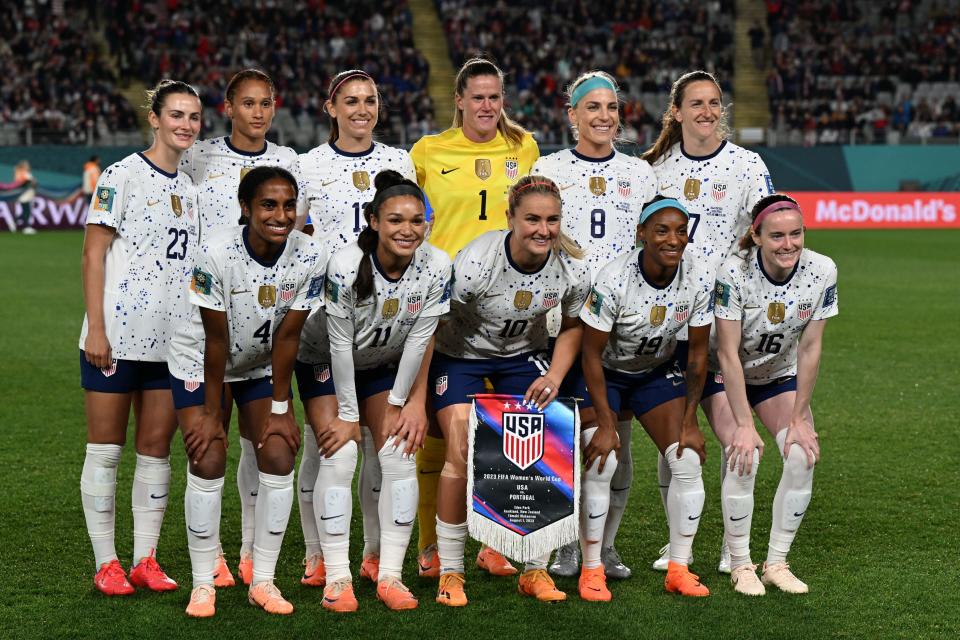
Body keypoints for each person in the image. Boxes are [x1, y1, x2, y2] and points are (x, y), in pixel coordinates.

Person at [167, 167, 326, 617]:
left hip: (258, 362)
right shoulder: (215, 253)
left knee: (277, 452)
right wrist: (209, 414)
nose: (280, 215)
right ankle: (204, 584)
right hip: (200, 360)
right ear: (245, 208)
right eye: (268, 205)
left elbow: (289, 336)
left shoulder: (309, 254)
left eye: (288, 205)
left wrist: (281, 408)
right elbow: (215, 341)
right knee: (209, 453)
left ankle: (264, 581)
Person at [431, 175, 590, 607]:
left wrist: (555, 376)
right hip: (459, 355)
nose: (543, 229)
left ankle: (534, 568)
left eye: (552, 220)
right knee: (462, 449)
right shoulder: (475, 264)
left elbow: (573, 326)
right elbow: (432, 325)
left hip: (523, 356)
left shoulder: (572, 267)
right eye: (532, 219)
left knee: (541, 444)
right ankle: (450, 571)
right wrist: (415, 396)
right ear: (511, 219)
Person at [409, 56, 539, 578]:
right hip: (449, 310)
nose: (487, 106)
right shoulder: (427, 151)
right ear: (458, 100)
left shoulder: (523, 147)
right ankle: (429, 546)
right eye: (477, 97)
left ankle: (491, 542)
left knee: (508, 432)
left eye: (494, 97)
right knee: (442, 437)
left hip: (511, 309)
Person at [643, 69, 774, 574]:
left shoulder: (747, 164)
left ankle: (731, 548)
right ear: (676, 112)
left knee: (731, 433)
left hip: (724, 321)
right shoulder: (654, 168)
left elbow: (762, 232)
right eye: (695, 103)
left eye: (714, 102)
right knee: (672, 432)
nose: (706, 111)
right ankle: (679, 542)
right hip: (668, 320)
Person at [304, 169, 451, 611]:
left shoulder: (437, 265)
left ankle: (388, 575)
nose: (407, 230)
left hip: (383, 363)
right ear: (373, 221)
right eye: (395, 220)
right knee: (342, 451)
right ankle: (336, 578)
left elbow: (420, 342)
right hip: (325, 361)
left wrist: (398, 405)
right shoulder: (347, 266)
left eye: (416, 220)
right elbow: (337, 346)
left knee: (398, 450)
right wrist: (350, 415)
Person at [179, 68, 302, 588]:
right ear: (228, 107)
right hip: (208, 310)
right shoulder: (198, 156)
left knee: (263, 447)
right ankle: (211, 567)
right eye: (247, 103)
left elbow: (297, 235)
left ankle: (252, 552)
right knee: (209, 446)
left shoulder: (289, 162)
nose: (258, 111)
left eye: (265, 103)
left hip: (261, 321)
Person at [78, 79, 201, 596]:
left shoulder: (191, 191)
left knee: (156, 451)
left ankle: (145, 558)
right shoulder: (121, 175)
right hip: (117, 337)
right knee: (106, 450)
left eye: (194, 117)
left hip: (170, 342)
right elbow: (92, 254)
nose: (186, 125)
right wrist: (97, 328)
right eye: (176, 115)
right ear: (155, 118)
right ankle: (107, 563)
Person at [533, 70, 657, 580]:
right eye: (592, 108)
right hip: (563, 321)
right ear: (572, 116)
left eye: (611, 107)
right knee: (569, 441)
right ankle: (565, 545)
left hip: (621, 328)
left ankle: (604, 547)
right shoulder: (547, 167)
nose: (603, 116)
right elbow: (536, 230)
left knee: (616, 446)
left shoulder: (641, 173)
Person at [297, 69, 416, 588]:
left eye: (370, 100)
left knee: (380, 446)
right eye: (351, 101)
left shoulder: (399, 161)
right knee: (324, 446)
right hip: (326, 326)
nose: (361, 109)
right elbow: (292, 235)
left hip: (385, 324)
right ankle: (316, 553)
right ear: (331, 108)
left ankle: (372, 553)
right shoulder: (308, 167)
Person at [578, 196, 713, 600]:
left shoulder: (699, 275)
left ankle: (679, 567)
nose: (673, 239)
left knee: (687, 460)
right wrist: (605, 422)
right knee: (603, 462)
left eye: (680, 231)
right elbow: (590, 354)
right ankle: (591, 569)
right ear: (641, 234)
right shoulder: (614, 278)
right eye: (662, 230)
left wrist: (690, 421)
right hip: (604, 375)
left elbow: (699, 355)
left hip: (653, 373)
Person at [713, 193, 837, 595]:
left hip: (777, 375)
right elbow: (727, 353)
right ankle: (740, 562)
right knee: (742, 452)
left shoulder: (822, 270)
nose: (789, 244)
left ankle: (776, 562)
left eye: (796, 234)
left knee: (803, 455)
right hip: (724, 376)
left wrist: (800, 416)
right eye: (778, 235)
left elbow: (811, 347)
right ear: (757, 236)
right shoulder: (733, 272)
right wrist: (745, 424)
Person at [14, 160, 37, 234]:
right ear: (23, 166)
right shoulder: (24, 174)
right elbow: (33, 183)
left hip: (27, 195)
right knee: (26, 211)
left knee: (26, 211)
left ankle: (16, 221)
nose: (28, 166)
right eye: (27, 165)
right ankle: (26, 227)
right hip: (24, 195)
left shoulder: (23, 174)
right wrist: (33, 182)